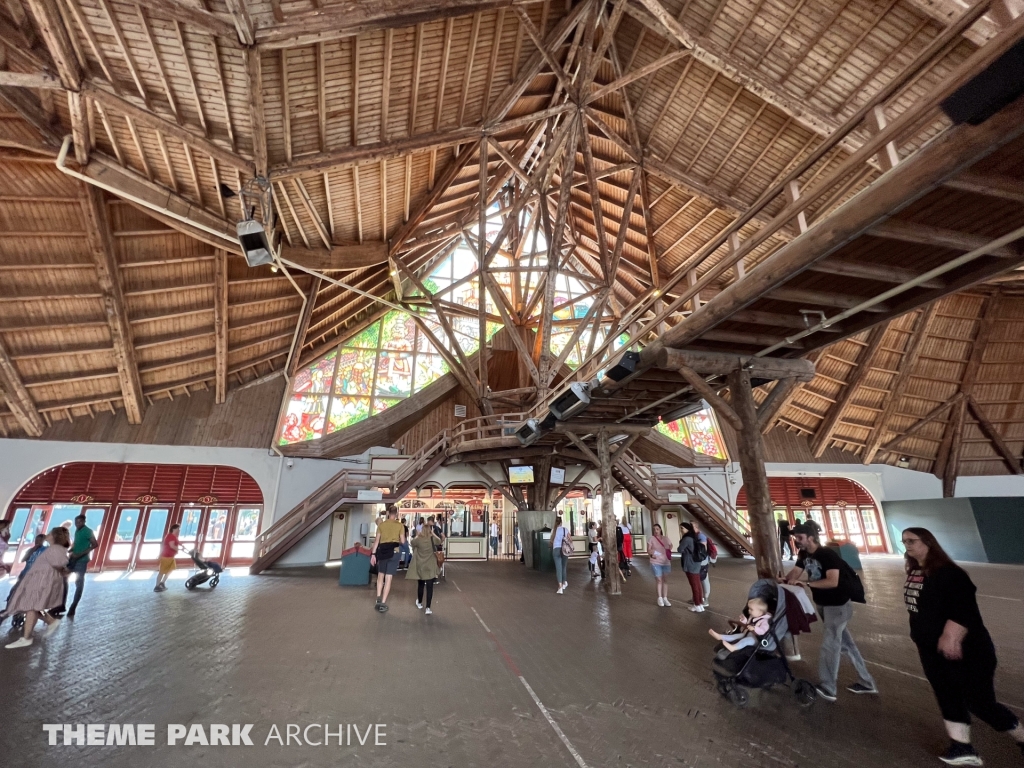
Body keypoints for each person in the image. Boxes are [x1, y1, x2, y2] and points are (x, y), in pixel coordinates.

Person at [901, 527, 1024, 766]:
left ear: (928, 542)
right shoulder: (917, 571)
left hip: (968, 651)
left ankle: (1021, 737)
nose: (907, 544)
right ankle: (962, 747)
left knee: (979, 701)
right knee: (947, 695)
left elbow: (964, 610)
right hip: (932, 651)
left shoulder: (949, 573)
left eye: (912, 540)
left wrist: (950, 636)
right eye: (904, 541)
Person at [784, 523, 877, 701]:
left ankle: (828, 687)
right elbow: (795, 572)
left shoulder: (827, 554)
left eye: (800, 538)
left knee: (830, 644)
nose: (797, 542)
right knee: (846, 645)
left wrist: (807, 583)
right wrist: (786, 579)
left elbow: (833, 581)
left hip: (838, 606)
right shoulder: (804, 554)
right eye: (796, 538)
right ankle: (867, 682)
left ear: (811, 538)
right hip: (823, 604)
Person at [5, 527, 70, 648]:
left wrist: (63, 572)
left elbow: (58, 565)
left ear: (55, 537)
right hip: (37, 580)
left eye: (50, 534)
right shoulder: (52, 549)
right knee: (30, 607)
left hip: (42, 582)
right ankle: (45, 624)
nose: (47, 535)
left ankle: (28, 636)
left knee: (30, 606)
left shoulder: (55, 550)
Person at [56, 514, 97, 619]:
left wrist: (82, 553)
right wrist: (69, 551)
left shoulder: (88, 531)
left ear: (84, 522)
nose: (78, 524)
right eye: (76, 522)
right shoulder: (77, 531)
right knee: (64, 578)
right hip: (73, 559)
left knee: (79, 583)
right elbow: (76, 543)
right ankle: (61, 605)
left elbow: (95, 544)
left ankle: (73, 606)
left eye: (80, 522)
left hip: (81, 561)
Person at [370, 506, 406, 613]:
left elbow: (376, 541)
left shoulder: (382, 525)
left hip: (383, 552)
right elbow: (403, 541)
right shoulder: (400, 526)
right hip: (394, 552)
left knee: (381, 574)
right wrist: (397, 540)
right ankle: (383, 603)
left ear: (388, 513)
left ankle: (378, 597)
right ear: (397, 514)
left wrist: (373, 554)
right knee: (388, 577)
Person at [406, 522, 442, 615]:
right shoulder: (432, 538)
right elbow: (440, 540)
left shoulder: (418, 540)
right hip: (430, 566)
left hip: (420, 565)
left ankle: (420, 602)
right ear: (430, 530)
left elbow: (412, 542)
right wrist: (433, 533)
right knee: (430, 587)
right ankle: (428, 608)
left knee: (421, 585)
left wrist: (418, 535)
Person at [678, 522, 704, 612]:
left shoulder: (687, 539)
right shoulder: (694, 537)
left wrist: (684, 550)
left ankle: (697, 605)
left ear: (687, 529)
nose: (681, 530)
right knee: (698, 584)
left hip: (690, 564)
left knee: (694, 585)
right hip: (696, 563)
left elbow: (679, 549)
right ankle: (700, 603)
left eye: (682, 528)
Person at [648, 523, 673, 607]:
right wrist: (651, 554)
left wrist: (668, 549)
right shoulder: (651, 539)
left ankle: (665, 598)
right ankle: (660, 597)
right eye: (654, 529)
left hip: (665, 562)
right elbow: (648, 549)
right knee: (659, 579)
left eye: (657, 529)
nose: (656, 531)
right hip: (656, 562)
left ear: (660, 529)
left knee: (665, 580)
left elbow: (671, 545)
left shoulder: (666, 538)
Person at [155, 524, 181, 593]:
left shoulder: (173, 536)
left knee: (171, 569)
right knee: (162, 571)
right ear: (174, 529)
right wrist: (177, 549)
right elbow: (172, 545)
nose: (179, 530)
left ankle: (162, 583)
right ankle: (157, 586)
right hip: (166, 556)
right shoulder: (171, 536)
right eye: (178, 529)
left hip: (170, 557)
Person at [550, 516, 570, 594]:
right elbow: (570, 539)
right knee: (563, 566)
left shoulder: (553, 531)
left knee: (558, 568)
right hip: (565, 549)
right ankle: (564, 582)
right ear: (561, 522)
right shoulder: (565, 529)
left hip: (556, 549)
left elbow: (551, 541)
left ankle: (560, 587)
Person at [693, 521, 711, 608]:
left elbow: (702, 550)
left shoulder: (701, 536)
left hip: (702, 561)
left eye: (692, 527)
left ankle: (706, 598)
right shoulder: (695, 536)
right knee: (697, 579)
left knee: (704, 579)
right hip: (697, 561)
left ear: (696, 527)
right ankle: (697, 597)